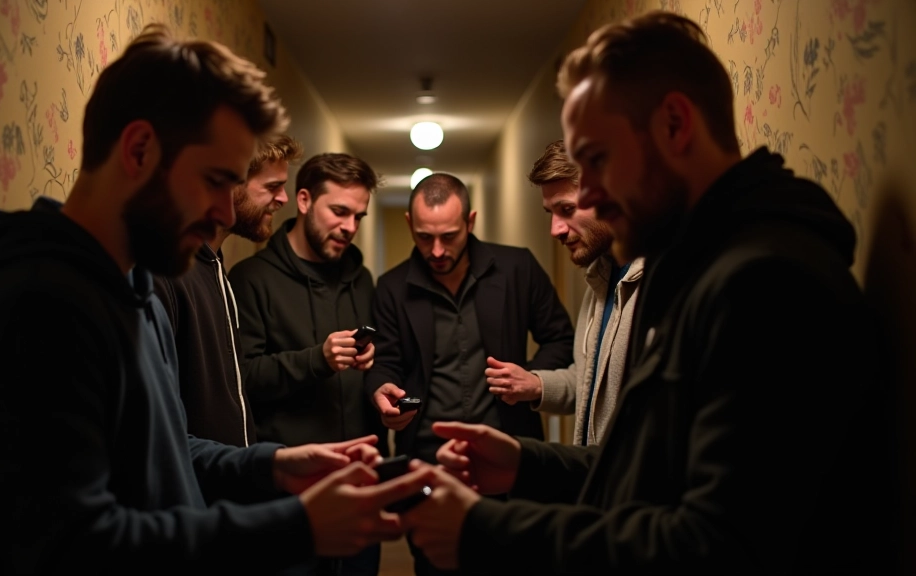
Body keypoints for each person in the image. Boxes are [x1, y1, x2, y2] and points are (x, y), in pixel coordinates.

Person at [0, 24, 431, 574]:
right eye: (215, 180)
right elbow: (71, 548)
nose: (224, 212)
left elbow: (166, 448)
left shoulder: (134, 291)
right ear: (139, 150)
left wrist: (273, 465)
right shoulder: (39, 306)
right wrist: (299, 526)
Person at [401, 11, 890, 574]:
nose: (589, 197)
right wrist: (526, 465)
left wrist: (485, 530)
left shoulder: (766, 286)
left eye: (597, 160)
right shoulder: (689, 269)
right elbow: (653, 477)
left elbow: (715, 547)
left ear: (675, 125)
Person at [365, 172, 574, 575]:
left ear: (470, 221)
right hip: (428, 463)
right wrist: (381, 390)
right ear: (409, 223)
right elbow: (384, 363)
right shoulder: (391, 287)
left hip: (509, 454)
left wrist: (531, 380)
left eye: (449, 236)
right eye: (424, 237)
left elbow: (560, 339)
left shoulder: (517, 267)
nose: (437, 250)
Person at [227, 152, 385, 576]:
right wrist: (318, 359)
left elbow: (377, 365)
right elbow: (243, 380)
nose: (350, 227)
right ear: (302, 200)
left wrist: (376, 374)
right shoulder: (251, 279)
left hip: (359, 486)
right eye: (339, 211)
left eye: (358, 216)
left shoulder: (362, 280)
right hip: (289, 496)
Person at [485, 140, 643, 446]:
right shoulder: (600, 279)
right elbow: (591, 384)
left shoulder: (660, 282)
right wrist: (536, 384)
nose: (555, 229)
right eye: (551, 212)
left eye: (567, 209)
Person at [154, 133, 303, 448]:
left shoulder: (216, 266)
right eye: (272, 186)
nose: (283, 199)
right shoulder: (165, 272)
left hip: (230, 473)